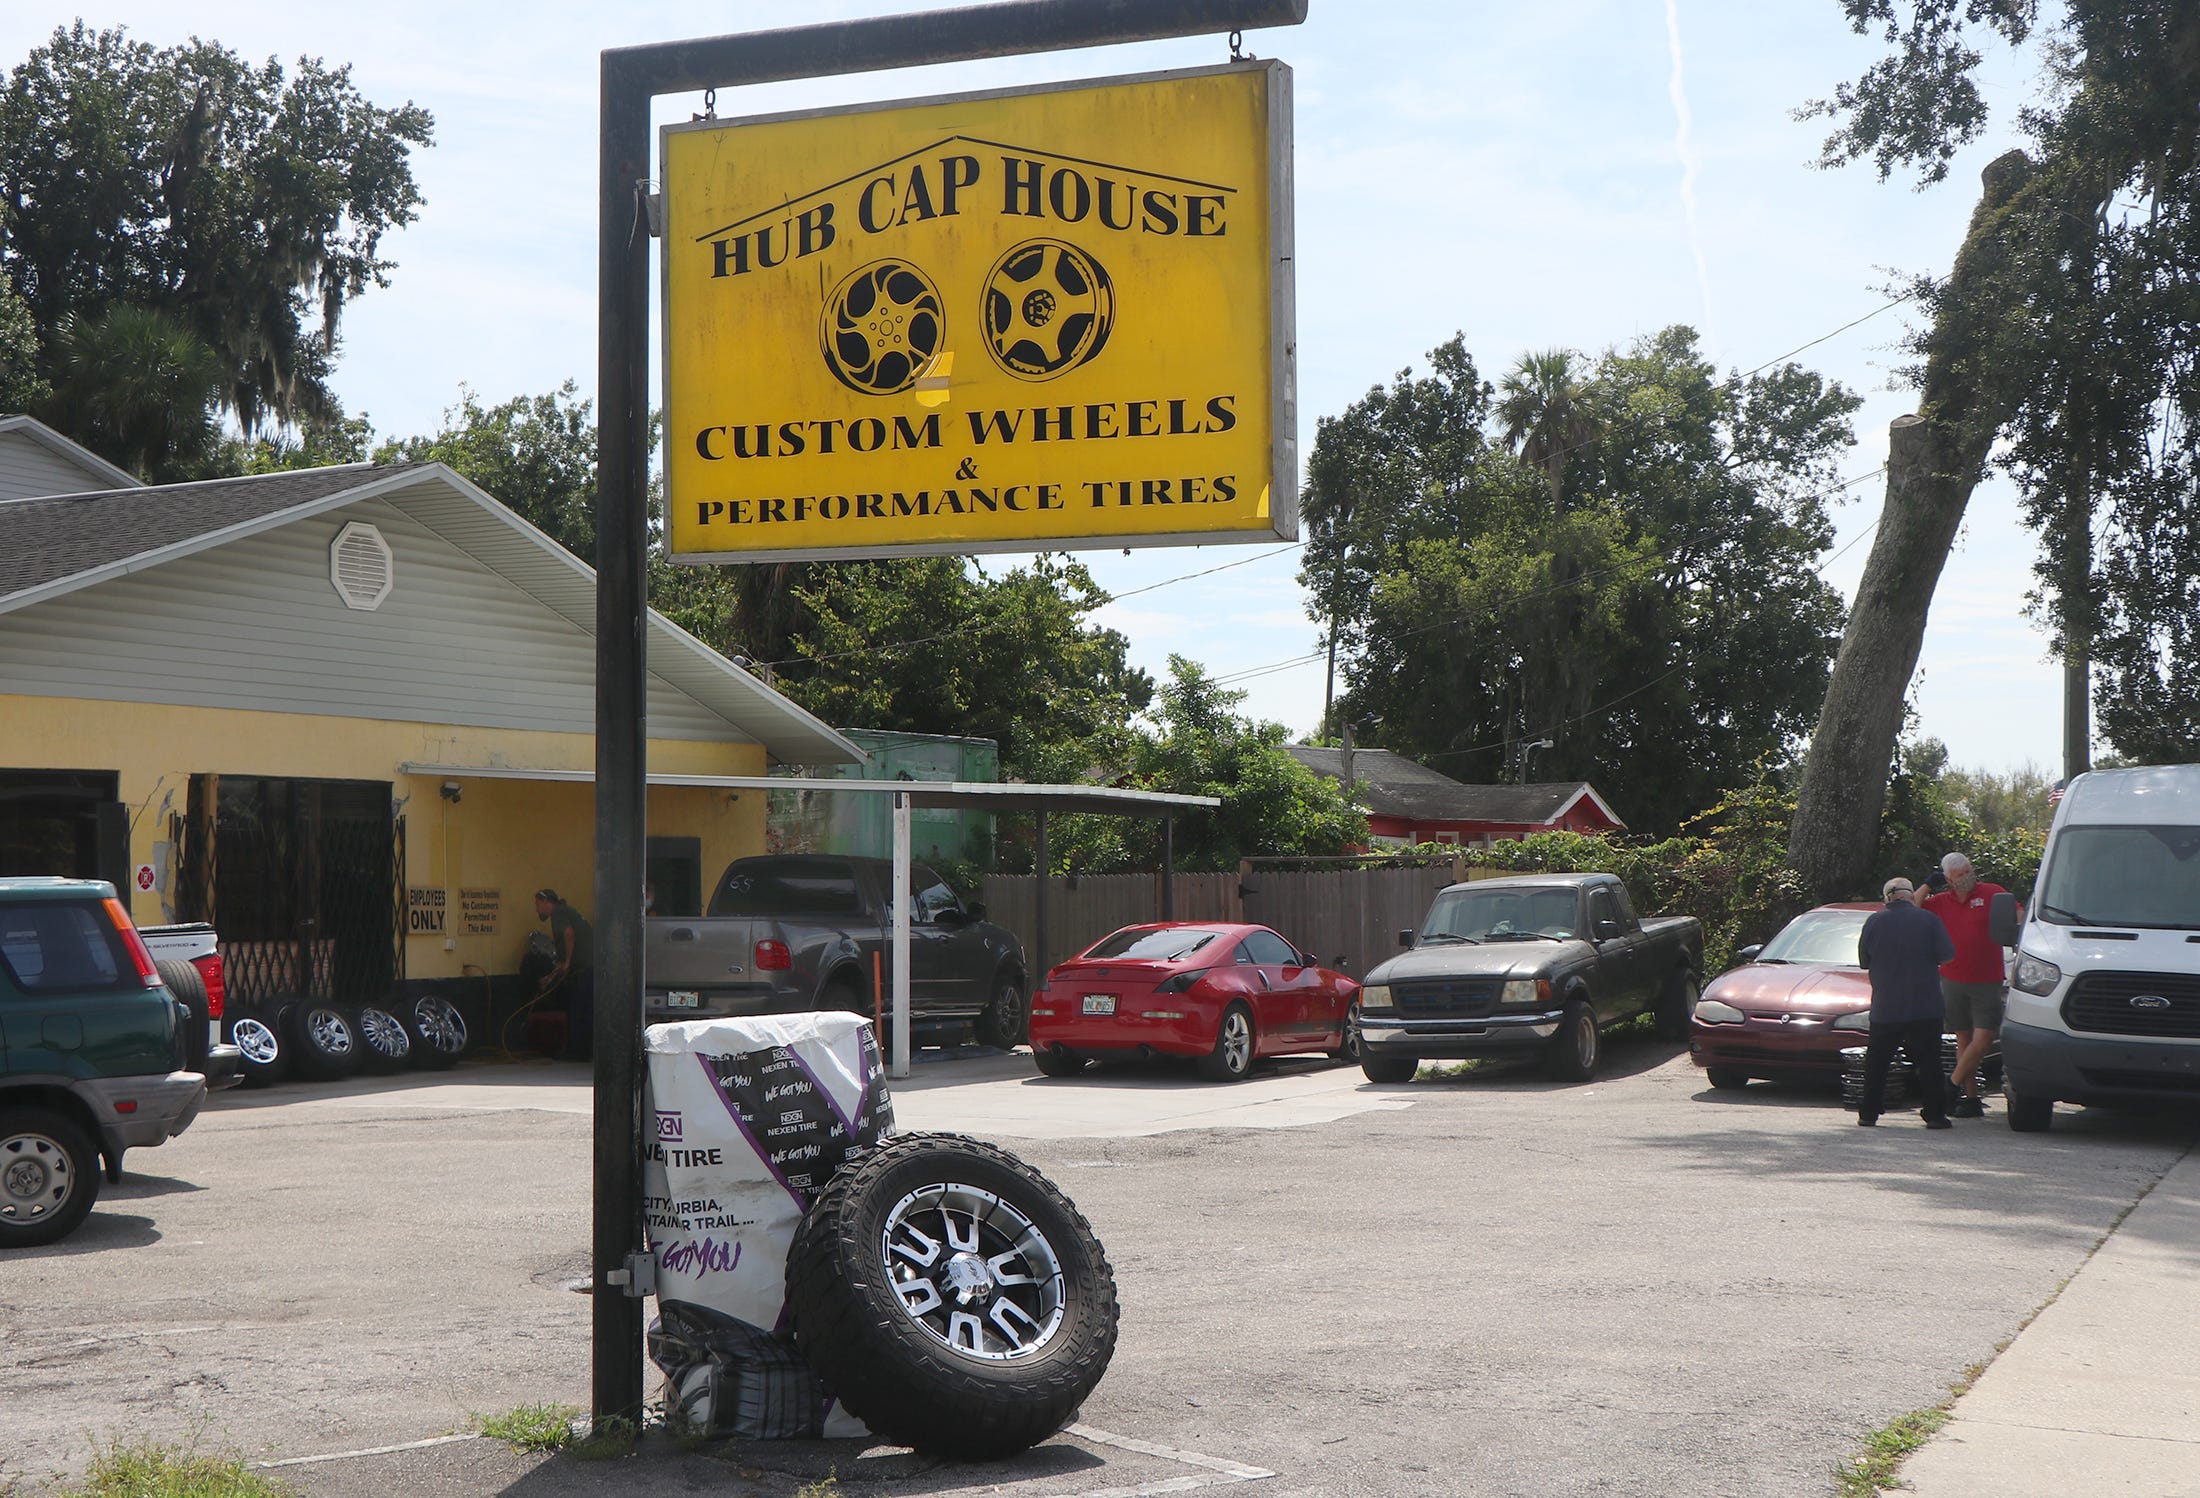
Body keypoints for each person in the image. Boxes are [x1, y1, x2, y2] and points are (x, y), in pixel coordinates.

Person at [1919, 852, 2018, 1118]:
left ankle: (1950, 1087)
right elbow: (1913, 906)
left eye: (1968, 871)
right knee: (1963, 1038)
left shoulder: (1992, 893)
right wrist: (1929, 884)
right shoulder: (1941, 901)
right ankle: (1971, 1097)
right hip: (1953, 978)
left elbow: (2017, 915)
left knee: (1984, 1037)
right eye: (1960, 875)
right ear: (1949, 879)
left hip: (1987, 979)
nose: (1966, 878)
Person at [1855, 876, 1955, 1129]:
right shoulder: (1929, 920)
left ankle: (1868, 1112)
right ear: (1911, 895)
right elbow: (1947, 955)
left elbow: (1864, 960)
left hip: (1886, 1006)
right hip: (1925, 1005)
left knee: (1877, 1061)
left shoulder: (1874, 921)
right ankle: (1934, 1115)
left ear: (1887, 898)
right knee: (1930, 1062)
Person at [533, 888, 595, 1063]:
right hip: (590, 966)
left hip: (585, 967)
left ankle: (578, 1052)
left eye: (538, 905)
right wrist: (550, 977)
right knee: (584, 1009)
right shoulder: (566, 910)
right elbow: (562, 962)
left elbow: (568, 933)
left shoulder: (559, 913)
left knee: (578, 1010)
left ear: (547, 903)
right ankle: (584, 1050)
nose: (537, 910)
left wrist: (567, 961)